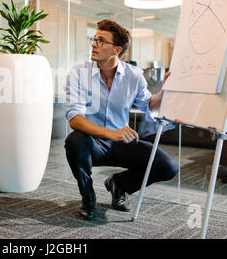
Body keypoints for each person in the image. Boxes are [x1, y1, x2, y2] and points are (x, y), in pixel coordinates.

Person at [65, 19, 179, 219]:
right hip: (94, 144)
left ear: (116, 50)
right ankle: (87, 196)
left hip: (122, 142)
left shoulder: (133, 75)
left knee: (168, 166)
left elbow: (147, 104)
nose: (94, 44)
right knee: (74, 141)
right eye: (94, 38)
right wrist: (110, 133)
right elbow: (75, 118)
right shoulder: (78, 73)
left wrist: (163, 92)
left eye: (101, 40)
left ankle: (120, 184)